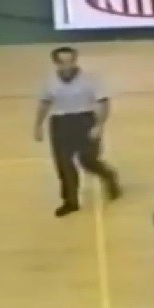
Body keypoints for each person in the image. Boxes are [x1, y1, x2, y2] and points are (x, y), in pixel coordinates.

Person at [34, 46, 121, 217]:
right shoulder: (49, 82)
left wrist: (99, 125)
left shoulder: (90, 80)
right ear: (56, 63)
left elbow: (103, 103)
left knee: (88, 160)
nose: (67, 66)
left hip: (85, 120)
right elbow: (44, 103)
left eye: (70, 61)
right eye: (62, 62)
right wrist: (38, 125)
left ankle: (109, 176)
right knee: (64, 164)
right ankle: (70, 201)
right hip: (60, 123)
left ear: (75, 61)